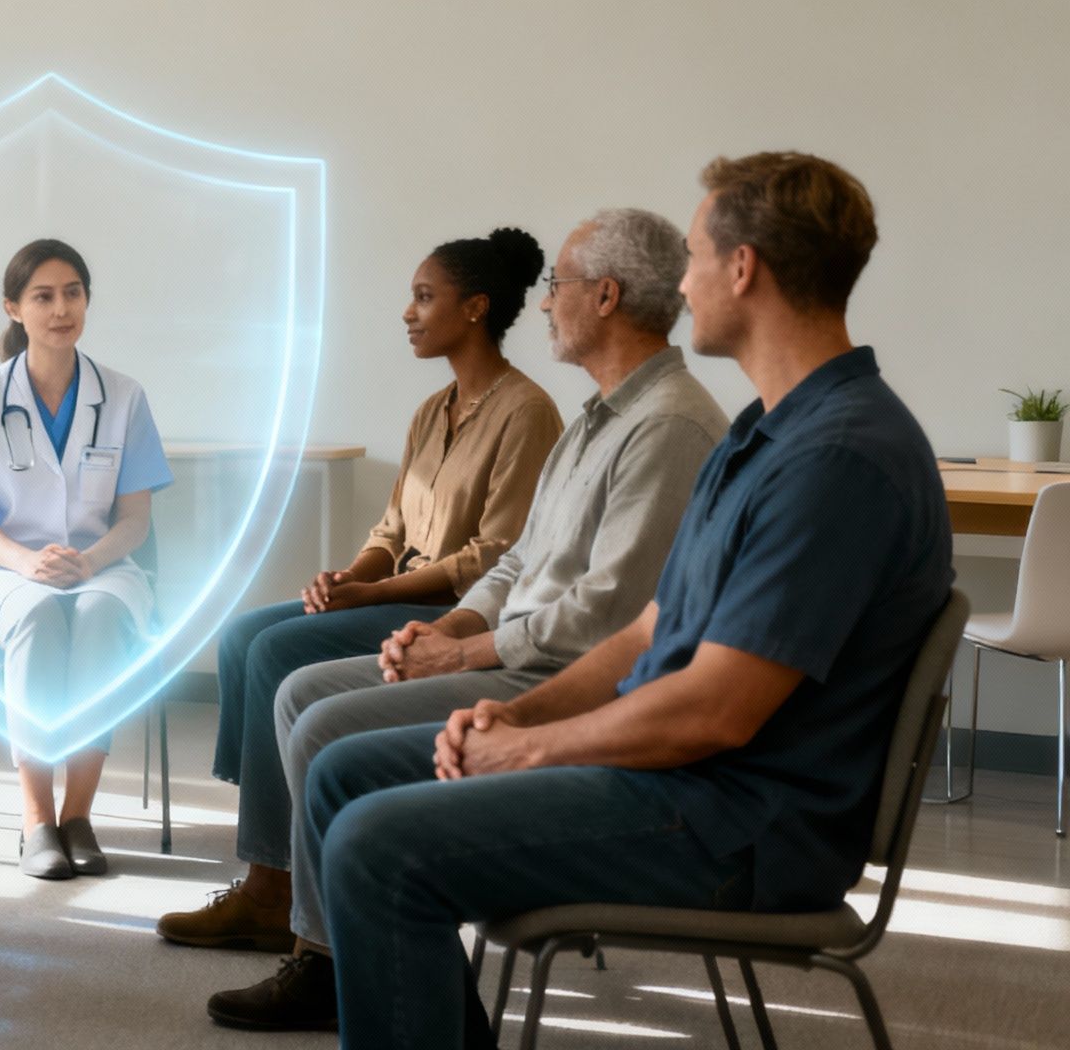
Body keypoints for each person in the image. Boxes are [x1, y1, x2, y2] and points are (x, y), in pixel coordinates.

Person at [298, 153, 953, 1047]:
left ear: (743, 267)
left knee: (378, 846)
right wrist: (515, 715)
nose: (680, 284)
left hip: (736, 822)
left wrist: (529, 751)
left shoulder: (836, 456)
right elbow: (651, 627)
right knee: (345, 775)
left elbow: (715, 711)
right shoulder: (766, 429)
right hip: (688, 778)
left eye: (691, 256)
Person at [197, 208, 730, 1028]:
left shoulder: (665, 426)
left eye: (561, 287)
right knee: (300, 696)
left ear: (608, 297)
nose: (548, 303)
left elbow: (605, 614)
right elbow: (521, 561)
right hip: (511, 644)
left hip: (559, 676)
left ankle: (334, 959)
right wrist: (452, 629)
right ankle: (332, 951)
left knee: (319, 731)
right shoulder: (599, 413)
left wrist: (469, 647)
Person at [175, 228, 563, 937]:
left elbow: (493, 558)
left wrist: (373, 596)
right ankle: (273, 834)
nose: (408, 313)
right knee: (240, 635)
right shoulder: (431, 411)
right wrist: (348, 577)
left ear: (475, 308)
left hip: (453, 616)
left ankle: (269, 888)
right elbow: (391, 530)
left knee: (275, 653)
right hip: (393, 595)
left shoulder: (526, 412)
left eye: (424, 297)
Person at [0, 238, 174, 879]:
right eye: (43, 296)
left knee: (98, 617)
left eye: (73, 293)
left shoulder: (123, 397)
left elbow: (135, 520)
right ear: (13, 307)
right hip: (0, 573)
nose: (60, 308)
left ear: (87, 301)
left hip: (104, 567)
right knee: (38, 615)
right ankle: (36, 818)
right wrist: (24, 563)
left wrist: (90, 564)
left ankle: (78, 815)